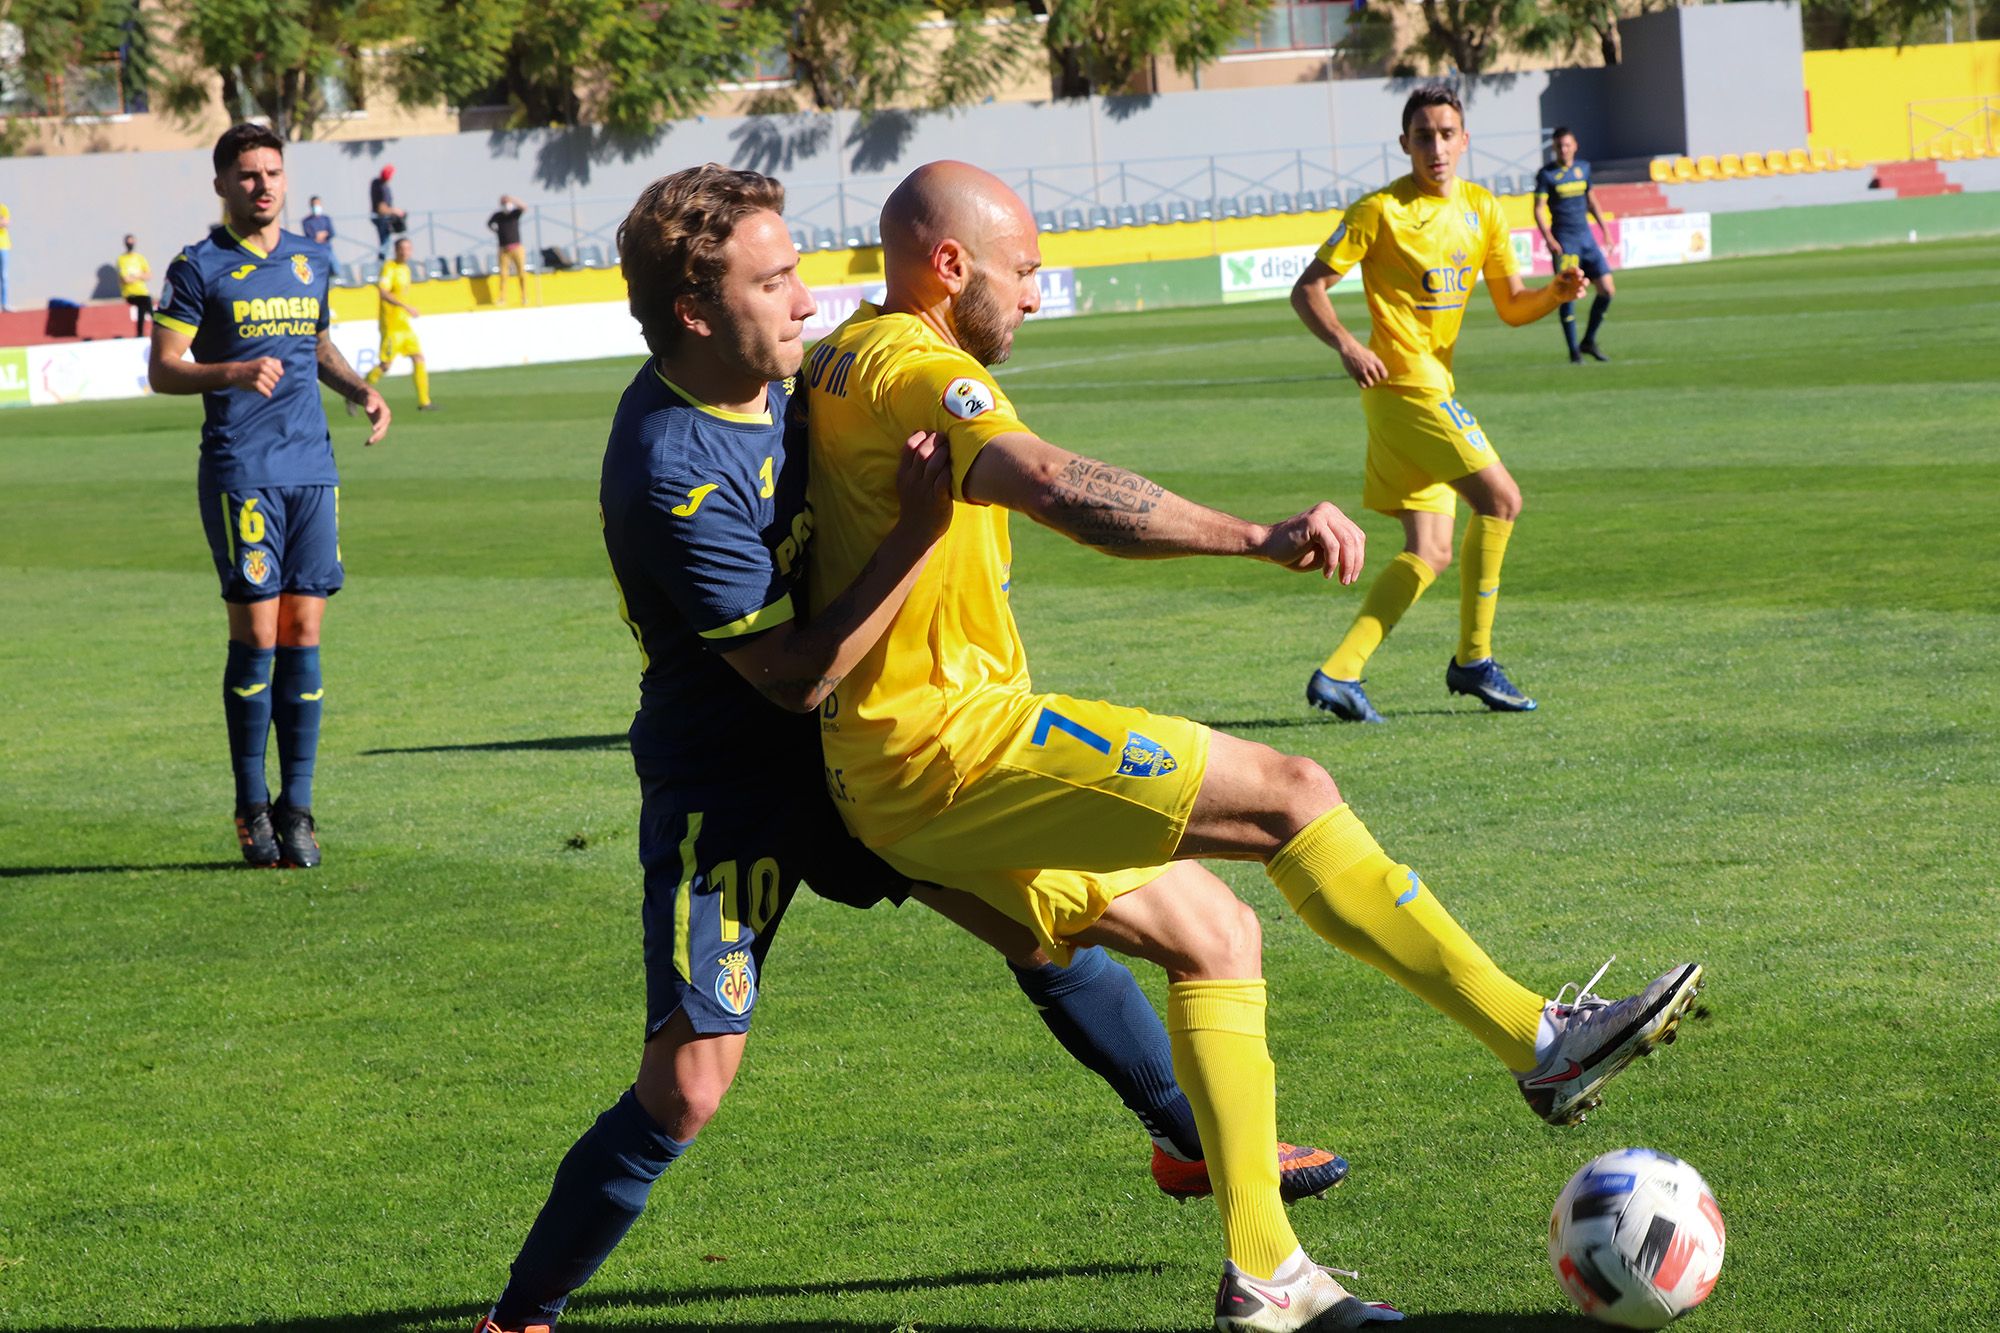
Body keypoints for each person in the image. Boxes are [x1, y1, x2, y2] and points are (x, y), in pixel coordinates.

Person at [805, 157, 1702, 1331]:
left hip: (890, 774)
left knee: (1212, 928)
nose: (1033, 293)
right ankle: (1538, 1038)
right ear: (949, 265)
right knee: (1290, 790)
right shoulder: (918, 365)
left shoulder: (842, 357)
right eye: (1022, 271)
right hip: (944, 744)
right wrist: (1252, 537)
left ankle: (1264, 1273)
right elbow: (1055, 485)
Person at [471, 164, 1349, 1333]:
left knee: (1046, 922)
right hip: (734, 778)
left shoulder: (789, 375)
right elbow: (792, 675)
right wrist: (922, 535)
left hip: (864, 747)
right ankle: (522, 1312)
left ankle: (1194, 1144)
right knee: (688, 1085)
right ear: (693, 311)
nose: (804, 300)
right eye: (773, 281)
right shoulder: (669, 473)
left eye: (798, 271)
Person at [1290, 84, 1588, 724]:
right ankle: (1474, 660)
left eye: (1446, 134)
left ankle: (1340, 674)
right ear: (1405, 144)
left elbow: (1512, 306)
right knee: (1502, 499)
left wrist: (1558, 293)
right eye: (1422, 136)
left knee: (1430, 549)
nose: (1436, 147)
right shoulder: (1381, 211)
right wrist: (1345, 344)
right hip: (1404, 388)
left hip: (1427, 391)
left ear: (1464, 140)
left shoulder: (1483, 208)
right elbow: (1308, 289)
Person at [147, 123, 390, 869]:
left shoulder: (312, 260)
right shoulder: (198, 268)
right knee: (256, 637)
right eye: (247, 174)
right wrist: (231, 370)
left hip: (311, 468)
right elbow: (163, 367)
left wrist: (360, 389)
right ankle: (251, 804)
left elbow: (314, 344)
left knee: (305, 634)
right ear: (222, 184)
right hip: (241, 469)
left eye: (273, 172)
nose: (262, 186)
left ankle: (300, 809)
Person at [1535, 127, 1617, 363]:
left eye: (1567, 145)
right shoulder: (1547, 175)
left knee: (1607, 290)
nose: (1563, 149)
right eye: (1559, 146)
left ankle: (1588, 341)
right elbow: (1539, 209)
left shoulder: (1583, 169)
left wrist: (1606, 232)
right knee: (1567, 295)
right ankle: (1574, 352)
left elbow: (1592, 202)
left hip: (1586, 239)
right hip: (1565, 242)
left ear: (1575, 145)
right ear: (1554, 148)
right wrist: (1549, 238)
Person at [365, 236, 434, 411]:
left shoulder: (405, 268)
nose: (406, 252)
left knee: (418, 357)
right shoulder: (389, 268)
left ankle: (424, 402)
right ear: (396, 250)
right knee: (385, 365)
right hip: (391, 325)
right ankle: (356, 392)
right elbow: (383, 292)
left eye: (409, 248)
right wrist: (405, 306)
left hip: (404, 324)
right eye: (402, 248)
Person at [488, 193, 528, 306]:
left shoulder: (514, 214)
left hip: (517, 248)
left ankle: (524, 297)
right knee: (503, 275)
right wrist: (496, 231)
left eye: (507, 202)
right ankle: (502, 298)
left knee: (521, 273)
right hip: (503, 249)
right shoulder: (498, 215)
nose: (506, 205)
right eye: (503, 203)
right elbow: (489, 224)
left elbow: (524, 207)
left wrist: (513, 200)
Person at [116, 234, 152, 336]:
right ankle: (152, 327)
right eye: (129, 242)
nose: (130, 244)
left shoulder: (140, 258)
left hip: (142, 291)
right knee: (145, 303)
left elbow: (148, 275)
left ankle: (140, 333)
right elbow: (126, 279)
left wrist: (135, 276)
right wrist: (139, 275)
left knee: (143, 306)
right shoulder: (122, 259)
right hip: (129, 293)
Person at [369, 165, 407, 256]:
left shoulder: (376, 183)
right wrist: (396, 211)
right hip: (382, 218)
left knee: (385, 243)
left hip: (379, 217)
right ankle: (382, 262)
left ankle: (382, 260)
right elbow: (382, 208)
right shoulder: (382, 187)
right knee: (385, 243)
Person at [0, 200, 12, 311]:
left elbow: (6, 223)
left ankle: (5, 304)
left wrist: (2, 222)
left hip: (3, 246)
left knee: (4, 275)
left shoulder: (3, 208)